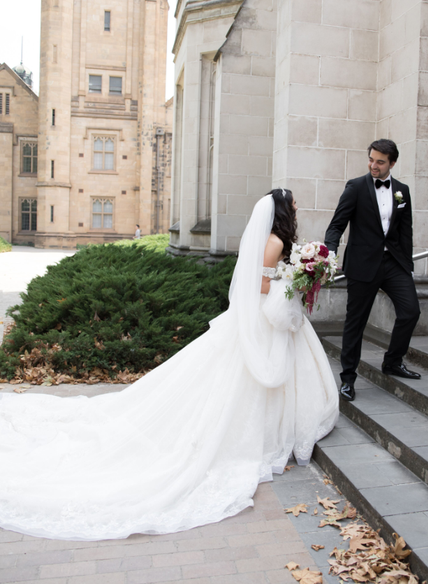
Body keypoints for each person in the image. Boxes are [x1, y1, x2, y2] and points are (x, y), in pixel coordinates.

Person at [0, 189, 338, 541]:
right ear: (284, 209)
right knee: (243, 376)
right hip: (264, 319)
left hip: (268, 317)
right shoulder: (273, 241)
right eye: (294, 202)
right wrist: (295, 284)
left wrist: (301, 277)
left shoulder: (277, 239)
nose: (298, 206)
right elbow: (261, 283)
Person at [324, 139, 421, 403]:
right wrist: (329, 251)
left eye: (380, 161)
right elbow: (336, 225)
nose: (373, 165)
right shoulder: (355, 187)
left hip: (394, 265)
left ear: (392, 163)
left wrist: (407, 266)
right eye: (371, 159)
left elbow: (405, 230)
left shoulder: (402, 191)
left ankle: (392, 362)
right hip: (363, 264)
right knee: (355, 323)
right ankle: (347, 379)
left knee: (411, 311)